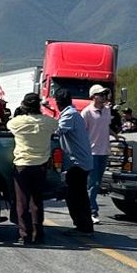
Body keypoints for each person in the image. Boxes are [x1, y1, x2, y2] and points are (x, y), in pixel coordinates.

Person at [7, 92, 60, 244]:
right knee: (37, 200)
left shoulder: (17, 122)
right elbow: (56, 124)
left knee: (22, 201)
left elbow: (8, 125)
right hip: (41, 165)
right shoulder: (48, 122)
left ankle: (25, 234)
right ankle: (38, 232)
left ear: (24, 106)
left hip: (22, 165)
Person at [55, 89, 95, 235]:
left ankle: (84, 227)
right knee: (77, 194)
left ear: (58, 103)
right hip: (79, 161)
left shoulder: (69, 115)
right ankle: (83, 225)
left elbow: (56, 132)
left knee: (76, 196)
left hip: (77, 163)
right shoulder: (71, 113)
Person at [81, 84, 114, 224]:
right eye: (100, 94)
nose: (103, 97)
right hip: (92, 152)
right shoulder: (87, 112)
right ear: (94, 96)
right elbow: (82, 132)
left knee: (97, 183)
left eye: (104, 94)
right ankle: (91, 211)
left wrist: (115, 135)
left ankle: (90, 209)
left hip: (104, 151)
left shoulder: (107, 111)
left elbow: (106, 127)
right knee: (93, 183)